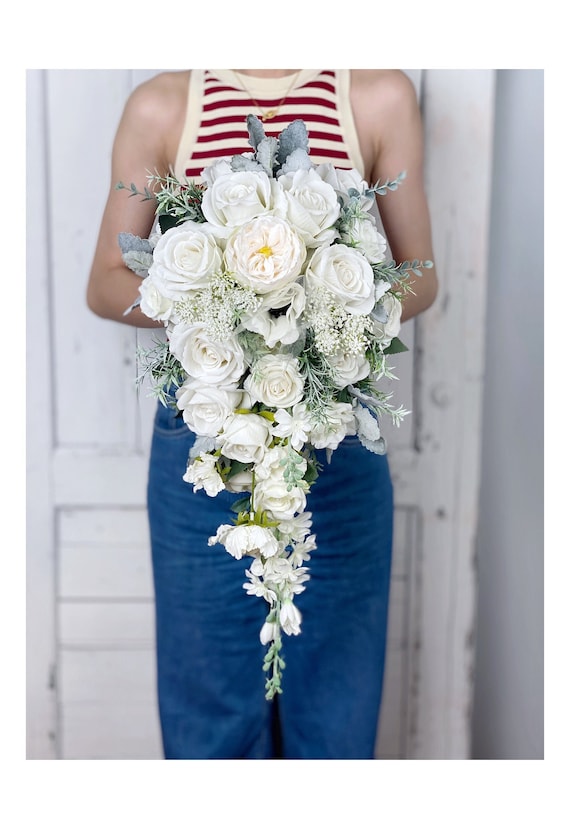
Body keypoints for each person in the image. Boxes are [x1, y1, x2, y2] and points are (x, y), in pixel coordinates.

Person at [86, 69, 438, 760]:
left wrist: (319, 307)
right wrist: (221, 298)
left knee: (335, 719)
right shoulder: (162, 105)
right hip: (203, 436)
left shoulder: (378, 96)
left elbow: (419, 276)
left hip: (335, 440)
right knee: (209, 719)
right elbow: (104, 282)